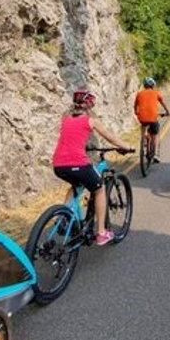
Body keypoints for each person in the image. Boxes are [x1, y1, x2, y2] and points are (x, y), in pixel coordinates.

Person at [52, 89, 133, 245]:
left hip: (58, 165)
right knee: (100, 188)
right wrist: (127, 147)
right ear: (89, 104)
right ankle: (101, 232)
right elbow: (111, 138)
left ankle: (61, 218)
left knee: (75, 186)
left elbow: (72, 136)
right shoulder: (91, 120)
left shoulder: (65, 118)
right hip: (78, 163)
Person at [133, 77, 170, 163]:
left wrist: (136, 113)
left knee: (143, 126)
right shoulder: (156, 93)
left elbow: (135, 106)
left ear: (145, 85)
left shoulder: (139, 94)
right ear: (153, 85)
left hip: (142, 118)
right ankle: (156, 154)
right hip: (153, 118)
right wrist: (167, 112)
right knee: (155, 135)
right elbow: (163, 103)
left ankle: (144, 137)